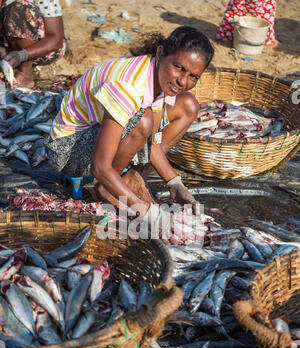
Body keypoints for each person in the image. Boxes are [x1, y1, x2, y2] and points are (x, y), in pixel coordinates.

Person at [46, 26, 214, 238]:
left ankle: (133, 178)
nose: (183, 81)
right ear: (160, 54)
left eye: (193, 76)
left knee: (187, 104)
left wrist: (174, 183)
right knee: (143, 120)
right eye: (179, 68)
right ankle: (106, 187)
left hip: (100, 136)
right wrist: (146, 211)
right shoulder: (128, 85)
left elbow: (152, 140)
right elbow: (100, 166)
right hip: (67, 150)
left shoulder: (159, 77)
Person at [0, 0, 66, 87]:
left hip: (42, 51)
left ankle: (24, 74)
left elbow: (56, 40)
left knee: (18, 9)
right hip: (7, 49)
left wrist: (21, 55)